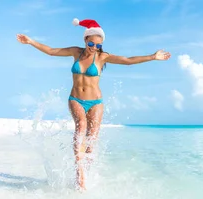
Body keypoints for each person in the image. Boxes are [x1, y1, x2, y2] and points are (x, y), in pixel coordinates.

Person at [16, 18, 171, 190]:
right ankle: (79, 172)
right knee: (81, 125)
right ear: (85, 40)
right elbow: (52, 51)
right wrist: (30, 41)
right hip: (76, 99)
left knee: (91, 140)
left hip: (96, 102)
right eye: (91, 44)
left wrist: (153, 57)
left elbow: (127, 60)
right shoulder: (76, 52)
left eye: (98, 45)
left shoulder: (102, 57)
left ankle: (87, 175)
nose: (94, 48)